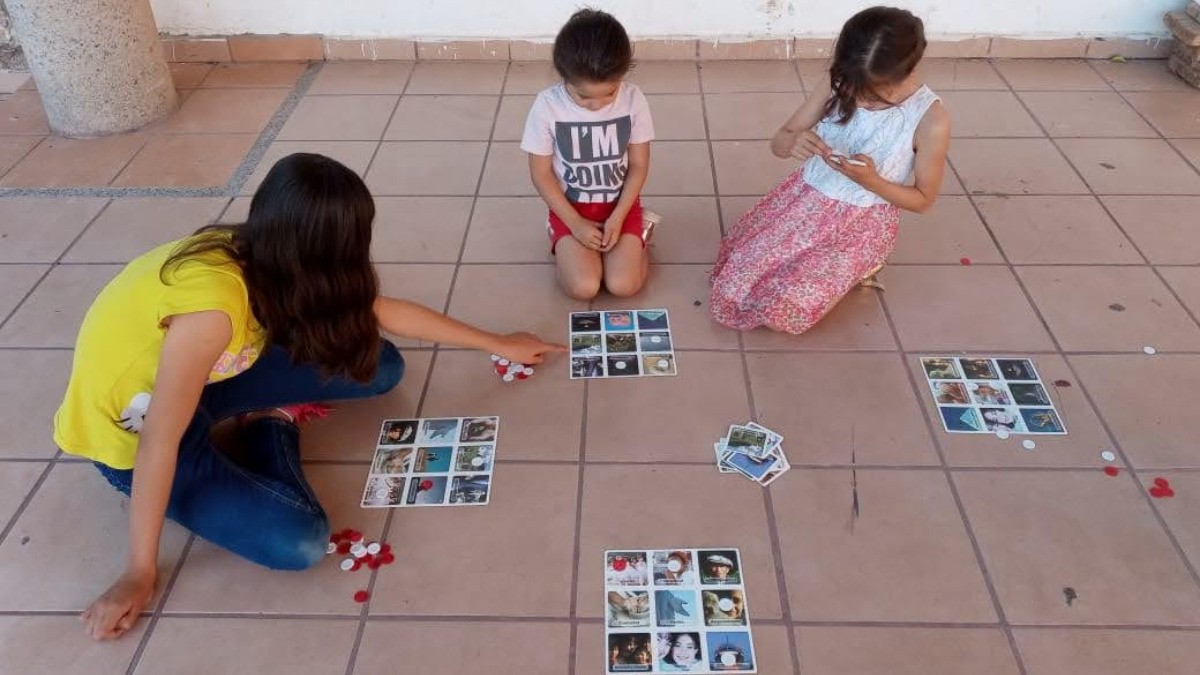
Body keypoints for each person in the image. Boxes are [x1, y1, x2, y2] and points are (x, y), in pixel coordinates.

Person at [58, 153, 564, 641]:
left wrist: (499, 344)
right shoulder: (212, 311)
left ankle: (256, 412)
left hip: (212, 379)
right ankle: (271, 424)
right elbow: (159, 442)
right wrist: (139, 572)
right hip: (137, 435)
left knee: (379, 366)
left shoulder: (267, 253)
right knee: (299, 542)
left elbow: (379, 310)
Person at [710, 6, 950, 334]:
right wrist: (791, 143)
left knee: (785, 308)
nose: (860, 100)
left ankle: (861, 265)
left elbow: (923, 199)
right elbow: (781, 140)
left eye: (875, 93)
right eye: (854, 88)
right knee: (735, 280)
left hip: (860, 226)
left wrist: (872, 181)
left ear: (907, 70)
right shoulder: (840, 81)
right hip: (805, 203)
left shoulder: (930, 119)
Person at [521, 8, 661, 300]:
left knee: (623, 285)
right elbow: (541, 174)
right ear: (564, 78)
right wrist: (575, 224)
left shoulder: (634, 99)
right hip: (570, 210)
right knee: (584, 287)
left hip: (620, 207)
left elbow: (638, 165)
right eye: (583, 96)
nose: (596, 106)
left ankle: (640, 236)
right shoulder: (547, 106)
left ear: (622, 75)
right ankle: (560, 239)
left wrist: (619, 217)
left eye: (609, 94)